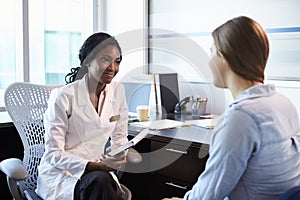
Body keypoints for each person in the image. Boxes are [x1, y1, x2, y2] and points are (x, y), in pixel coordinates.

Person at [163, 16, 300, 200]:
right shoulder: (283, 103)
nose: (209, 61)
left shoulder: (241, 117)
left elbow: (208, 194)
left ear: (227, 56)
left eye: (212, 52)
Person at [36, 32, 129, 200]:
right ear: (87, 61)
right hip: (62, 175)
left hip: (97, 175)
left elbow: (120, 136)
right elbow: (53, 154)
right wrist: (96, 166)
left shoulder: (118, 91)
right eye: (105, 59)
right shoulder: (63, 96)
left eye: (117, 62)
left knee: (101, 183)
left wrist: (120, 153)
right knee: (101, 182)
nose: (112, 68)